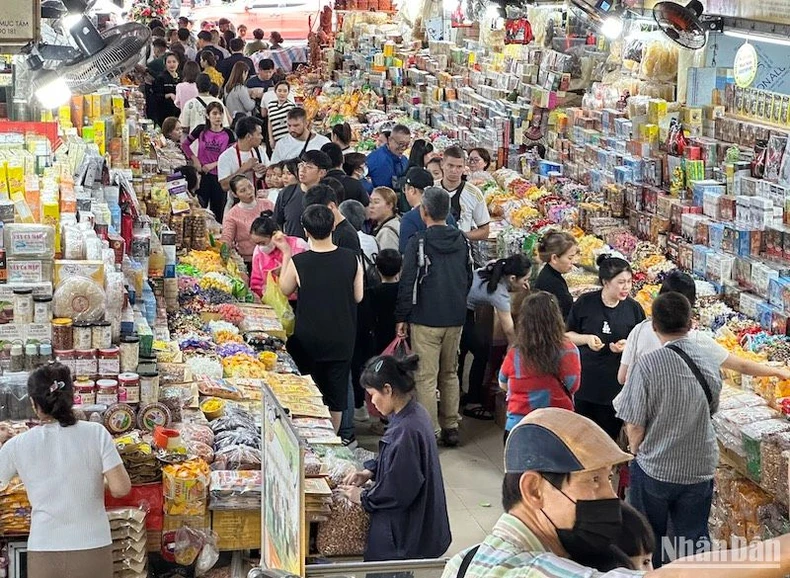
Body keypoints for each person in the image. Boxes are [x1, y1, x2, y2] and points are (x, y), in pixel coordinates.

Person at [443, 406, 790, 578]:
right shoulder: (532, 573)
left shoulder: (464, 561)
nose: (611, 496)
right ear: (534, 490)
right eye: (594, 480)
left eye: (609, 478)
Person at [615, 292, 722, 569]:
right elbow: (712, 407)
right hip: (700, 466)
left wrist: (635, 449)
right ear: (690, 322)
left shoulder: (648, 365)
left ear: (654, 325)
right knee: (692, 537)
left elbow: (634, 422)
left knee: (648, 536)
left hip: (657, 466)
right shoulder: (709, 359)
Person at [0, 363, 131, 578]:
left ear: (34, 404)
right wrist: (91, 482)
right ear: (72, 395)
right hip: (93, 546)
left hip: (44, 549)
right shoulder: (96, 434)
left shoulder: (18, 445)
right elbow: (120, 488)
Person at [340, 354, 452, 562]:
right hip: (413, 523)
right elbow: (395, 461)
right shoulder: (412, 412)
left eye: (373, 394)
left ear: (388, 390)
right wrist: (369, 471)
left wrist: (363, 498)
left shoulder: (405, 432)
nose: (371, 402)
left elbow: (398, 490)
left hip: (404, 533)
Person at [618, 270, 790, 385]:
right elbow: (741, 366)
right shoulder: (696, 340)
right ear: (691, 307)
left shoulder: (639, 330)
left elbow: (622, 378)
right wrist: (775, 371)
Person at [395, 187, 471, 447]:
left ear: (423, 211)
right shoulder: (462, 240)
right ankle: (451, 425)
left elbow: (407, 283)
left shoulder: (418, 242)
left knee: (426, 376)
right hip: (456, 317)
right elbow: (468, 277)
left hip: (425, 317)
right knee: (450, 372)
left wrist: (401, 317)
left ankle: (432, 430)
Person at [280, 204, 363, 432]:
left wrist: (287, 254)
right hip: (342, 336)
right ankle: (332, 440)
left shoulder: (300, 262)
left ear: (305, 230)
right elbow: (358, 296)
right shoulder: (351, 258)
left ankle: (310, 439)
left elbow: (284, 289)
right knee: (336, 396)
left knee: (309, 392)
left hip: (309, 339)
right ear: (333, 226)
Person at [566, 254, 645, 441]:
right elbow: (567, 335)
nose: (626, 287)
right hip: (586, 384)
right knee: (582, 437)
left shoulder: (633, 309)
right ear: (606, 282)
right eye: (620, 282)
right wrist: (586, 339)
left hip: (616, 388)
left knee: (608, 437)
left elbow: (642, 342)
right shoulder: (585, 303)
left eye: (629, 282)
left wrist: (628, 345)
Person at [498, 291, 580, 441]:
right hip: (559, 427)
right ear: (557, 318)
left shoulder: (515, 353)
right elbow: (573, 386)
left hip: (520, 428)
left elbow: (503, 384)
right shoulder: (570, 350)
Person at [461, 254, 531, 421]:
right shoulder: (499, 293)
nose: (526, 283)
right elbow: (509, 330)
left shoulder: (496, 267)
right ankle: (472, 402)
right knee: (481, 352)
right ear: (513, 278)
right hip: (461, 312)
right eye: (525, 279)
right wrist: (516, 352)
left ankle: (459, 394)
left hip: (458, 304)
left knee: (463, 351)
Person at [182, 101, 236, 218]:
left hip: (219, 176)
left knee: (218, 211)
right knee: (199, 208)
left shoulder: (228, 134)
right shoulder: (201, 130)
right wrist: (194, 159)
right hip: (202, 176)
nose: (218, 117)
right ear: (207, 115)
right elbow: (185, 144)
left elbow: (230, 155)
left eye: (220, 114)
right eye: (214, 114)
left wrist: (213, 164)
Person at [435, 146, 491, 241]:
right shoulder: (431, 191)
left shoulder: (474, 194)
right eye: (450, 165)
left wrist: (462, 236)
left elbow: (485, 230)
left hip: (461, 250)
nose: (454, 170)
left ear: (465, 167)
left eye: (459, 167)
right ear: (442, 164)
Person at [221, 175, 274, 273]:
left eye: (250, 186)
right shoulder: (232, 215)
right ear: (235, 194)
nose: (249, 192)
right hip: (250, 261)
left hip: (273, 256)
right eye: (243, 190)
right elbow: (227, 238)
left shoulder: (268, 204)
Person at [217, 116, 268, 218]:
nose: (262, 137)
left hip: (258, 205)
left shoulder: (260, 151)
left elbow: (269, 172)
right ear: (249, 136)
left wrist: (265, 171)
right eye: (259, 134)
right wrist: (243, 169)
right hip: (236, 208)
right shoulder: (226, 156)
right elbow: (224, 186)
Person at [249, 210, 309, 297]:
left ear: (274, 234)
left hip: (299, 300)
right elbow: (256, 282)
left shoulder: (299, 245)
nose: (260, 247)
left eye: (263, 243)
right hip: (272, 302)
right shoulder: (258, 252)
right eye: (257, 244)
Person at [398, 167, 457, 253]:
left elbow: (406, 253)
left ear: (412, 190)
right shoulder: (448, 215)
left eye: (405, 189)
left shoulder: (409, 219)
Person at [533, 230, 579, 320]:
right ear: (554, 258)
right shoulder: (552, 283)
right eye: (570, 258)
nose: (573, 262)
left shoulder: (549, 273)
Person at [304, 183, 361, 255]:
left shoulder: (347, 235)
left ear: (331, 206)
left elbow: (352, 263)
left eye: (318, 212)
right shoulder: (317, 228)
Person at [369, 249, 402, 354]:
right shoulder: (404, 292)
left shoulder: (371, 293)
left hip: (379, 341)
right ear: (400, 268)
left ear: (377, 269)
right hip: (401, 340)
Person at [366, 124, 411, 192]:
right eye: (400, 144)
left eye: (407, 144)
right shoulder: (378, 161)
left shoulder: (403, 159)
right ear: (389, 140)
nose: (403, 148)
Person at [271, 158, 306, 238]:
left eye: (289, 173)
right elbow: (277, 221)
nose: (285, 177)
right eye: (283, 173)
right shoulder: (284, 193)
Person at [151, 52, 181, 127]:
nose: (172, 64)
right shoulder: (161, 78)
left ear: (178, 63)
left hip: (178, 114)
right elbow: (156, 96)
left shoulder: (181, 78)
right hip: (164, 113)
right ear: (165, 64)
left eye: (174, 62)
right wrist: (169, 95)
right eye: (169, 62)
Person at [368, 186, 400, 251]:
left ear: (389, 206)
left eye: (376, 202)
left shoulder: (388, 232)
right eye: (370, 202)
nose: (371, 206)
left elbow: (389, 259)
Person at [265, 81, 296, 149]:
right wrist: (271, 139)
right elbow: (270, 122)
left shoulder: (291, 106)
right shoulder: (271, 105)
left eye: (285, 91)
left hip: (289, 141)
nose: (282, 93)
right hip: (276, 141)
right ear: (275, 91)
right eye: (279, 91)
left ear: (288, 93)